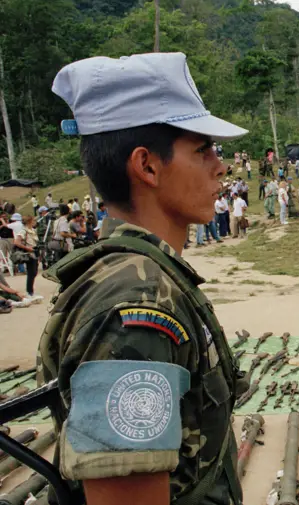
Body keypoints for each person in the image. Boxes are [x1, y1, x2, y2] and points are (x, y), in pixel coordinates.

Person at [41, 52, 249, 505]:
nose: (220, 165)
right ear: (148, 166)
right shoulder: (137, 304)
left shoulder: (146, 277)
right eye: (202, 149)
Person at [11, 216, 40, 297]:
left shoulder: (33, 230)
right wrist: (27, 248)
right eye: (33, 220)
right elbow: (16, 242)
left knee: (34, 272)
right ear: (29, 222)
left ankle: (30, 290)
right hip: (28, 253)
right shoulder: (23, 231)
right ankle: (29, 291)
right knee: (31, 272)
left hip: (34, 252)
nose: (34, 222)